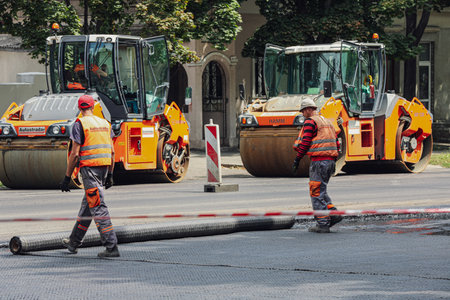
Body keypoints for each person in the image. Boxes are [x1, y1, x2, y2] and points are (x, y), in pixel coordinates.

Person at [60, 95, 119, 257]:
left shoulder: (80, 124)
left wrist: (67, 177)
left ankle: (111, 246)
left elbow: (75, 154)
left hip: (89, 170)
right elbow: (113, 152)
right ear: (93, 107)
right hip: (104, 168)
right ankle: (73, 243)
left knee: (98, 207)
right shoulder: (104, 123)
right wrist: (110, 175)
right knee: (88, 206)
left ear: (80, 108)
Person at [292, 98, 343, 233]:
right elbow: (337, 143)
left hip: (319, 161)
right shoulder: (327, 122)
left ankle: (323, 223)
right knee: (321, 190)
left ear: (308, 109)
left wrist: (297, 159)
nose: (303, 114)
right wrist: (333, 160)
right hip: (330, 161)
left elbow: (306, 142)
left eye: (303, 111)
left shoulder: (310, 122)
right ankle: (333, 214)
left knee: (316, 192)